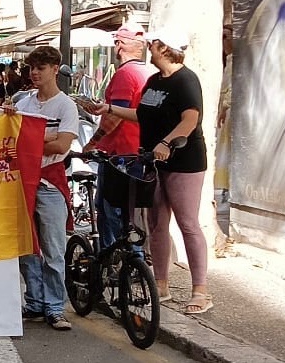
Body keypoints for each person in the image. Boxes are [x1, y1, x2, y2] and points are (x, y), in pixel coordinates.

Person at [84, 29, 211, 315]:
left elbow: (190, 119)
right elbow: (141, 114)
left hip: (183, 161)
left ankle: (201, 290)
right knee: (156, 222)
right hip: (152, 160)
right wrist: (109, 109)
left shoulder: (186, 80)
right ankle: (161, 284)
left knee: (187, 223)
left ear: (164, 48)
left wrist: (167, 142)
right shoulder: (154, 81)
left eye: (152, 45)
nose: (148, 49)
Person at [9, 45, 77, 332]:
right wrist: (42, 139)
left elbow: (62, 145)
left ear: (54, 70)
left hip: (50, 181)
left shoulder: (66, 106)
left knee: (53, 248)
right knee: (26, 246)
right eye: (32, 68)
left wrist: (29, 142)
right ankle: (35, 302)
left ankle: (55, 306)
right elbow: (10, 137)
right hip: (23, 180)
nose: (35, 73)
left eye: (41, 68)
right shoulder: (23, 103)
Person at [81, 25, 154, 249]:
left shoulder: (124, 74)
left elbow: (115, 116)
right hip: (139, 151)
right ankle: (134, 257)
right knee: (130, 213)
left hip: (118, 154)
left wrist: (92, 143)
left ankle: (113, 259)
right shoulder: (147, 72)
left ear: (119, 45)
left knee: (109, 211)